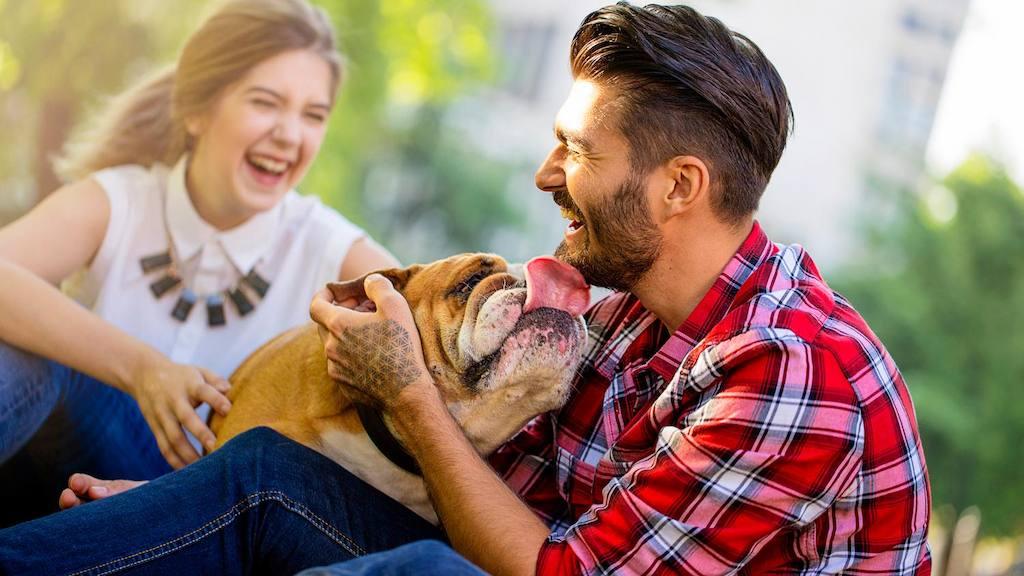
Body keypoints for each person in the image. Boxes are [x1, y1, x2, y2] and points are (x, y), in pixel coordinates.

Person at [0, 3, 932, 575]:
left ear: (678, 186)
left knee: (411, 573)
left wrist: (408, 386)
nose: (543, 175)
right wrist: (176, 512)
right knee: (261, 482)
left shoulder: (790, 372)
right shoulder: (621, 321)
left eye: (575, 150)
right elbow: (475, 481)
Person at [0, 0, 397, 522]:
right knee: (34, 351)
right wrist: (145, 370)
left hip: (219, 511)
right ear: (197, 109)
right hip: (69, 459)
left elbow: (423, 350)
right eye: (265, 102)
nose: (289, 134)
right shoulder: (120, 200)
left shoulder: (335, 251)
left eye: (313, 115)